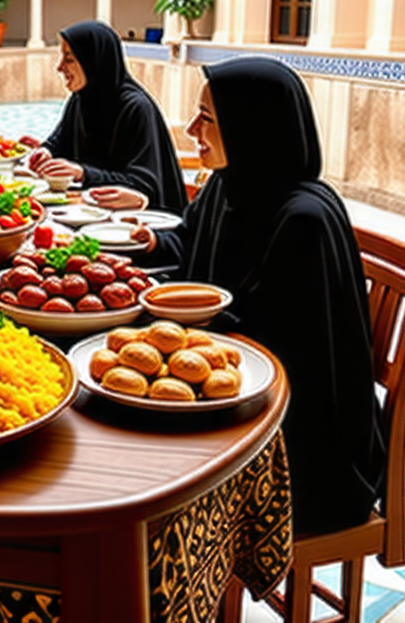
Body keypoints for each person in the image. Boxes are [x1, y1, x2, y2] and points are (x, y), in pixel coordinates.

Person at [130, 55, 386, 536]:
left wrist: (178, 319)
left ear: (253, 126)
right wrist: (149, 246)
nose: (190, 129)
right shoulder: (231, 184)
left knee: (151, 490)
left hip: (304, 453)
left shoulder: (303, 219)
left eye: (207, 118)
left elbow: (284, 353)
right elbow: (188, 239)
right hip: (244, 405)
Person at [24, 21, 187, 214]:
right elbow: (60, 141)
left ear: (93, 62)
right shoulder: (80, 99)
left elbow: (144, 185)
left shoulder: (135, 108)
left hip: (141, 226)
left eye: (69, 59)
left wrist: (83, 174)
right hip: (91, 213)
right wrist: (46, 151)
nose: (59, 67)